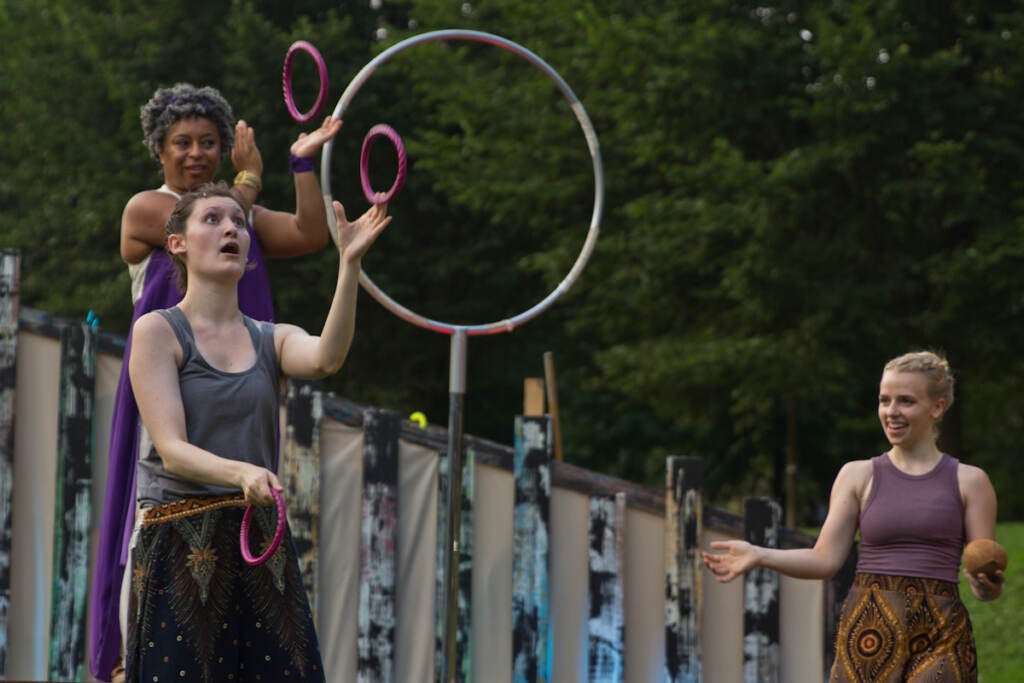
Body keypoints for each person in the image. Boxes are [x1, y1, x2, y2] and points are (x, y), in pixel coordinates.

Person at [90, 82, 342, 681]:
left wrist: (302, 163)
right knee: (142, 494)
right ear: (160, 150)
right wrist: (249, 181)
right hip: (166, 380)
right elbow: (215, 213)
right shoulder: (151, 209)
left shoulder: (232, 217)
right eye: (183, 143)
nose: (197, 152)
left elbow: (310, 234)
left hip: (239, 373)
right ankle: (124, 653)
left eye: (209, 142)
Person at [123, 182, 390, 682]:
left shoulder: (271, 337)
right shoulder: (157, 331)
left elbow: (327, 357)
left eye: (239, 223)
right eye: (213, 219)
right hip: (181, 542)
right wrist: (243, 471)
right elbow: (173, 451)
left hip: (257, 538)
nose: (231, 228)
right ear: (176, 242)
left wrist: (348, 265)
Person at [702, 350, 1004, 682]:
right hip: (870, 630)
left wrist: (984, 584)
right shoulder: (858, 476)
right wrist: (759, 554)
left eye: (905, 401)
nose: (891, 412)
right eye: (884, 400)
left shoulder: (971, 482)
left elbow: (983, 582)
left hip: (942, 632)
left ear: (937, 407)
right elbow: (825, 559)